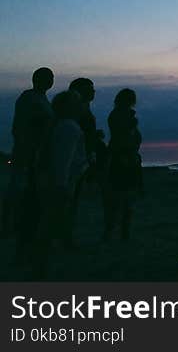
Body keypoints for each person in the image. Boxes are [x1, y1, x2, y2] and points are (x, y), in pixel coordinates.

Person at [33, 90, 87, 277]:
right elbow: (63, 161)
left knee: (47, 223)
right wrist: (62, 186)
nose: (82, 106)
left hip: (52, 182)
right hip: (58, 184)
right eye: (78, 103)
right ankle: (41, 267)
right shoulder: (69, 128)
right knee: (49, 224)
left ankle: (41, 264)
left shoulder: (60, 125)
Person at [2, 67, 54, 238]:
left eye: (51, 77)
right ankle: (7, 224)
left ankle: (15, 222)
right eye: (48, 77)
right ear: (37, 79)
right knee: (18, 187)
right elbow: (23, 126)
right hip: (27, 150)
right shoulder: (29, 98)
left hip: (34, 151)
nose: (50, 80)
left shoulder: (41, 98)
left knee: (25, 187)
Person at [67, 77, 107, 248]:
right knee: (69, 198)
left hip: (83, 157)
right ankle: (65, 236)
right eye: (90, 88)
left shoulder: (84, 108)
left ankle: (67, 234)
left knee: (73, 197)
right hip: (74, 159)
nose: (93, 92)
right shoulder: (76, 110)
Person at [104, 88, 142, 242]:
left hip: (125, 156)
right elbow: (122, 137)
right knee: (122, 196)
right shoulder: (121, 116)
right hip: (123, 156)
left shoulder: (119, 115)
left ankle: (118, 232)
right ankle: (118, 232)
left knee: (122, 197)